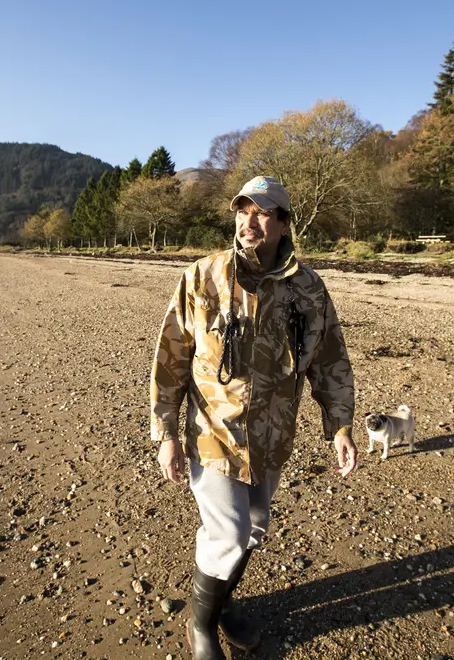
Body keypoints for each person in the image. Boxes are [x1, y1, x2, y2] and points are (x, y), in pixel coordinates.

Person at [150, 176, 357, 659]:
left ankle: (220, 605)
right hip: (212, 434)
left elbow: (329, 360)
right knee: (230, 533)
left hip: (272, 436)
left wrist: (341, 426)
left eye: (263, 213)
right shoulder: (203, 276)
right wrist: (166, 433)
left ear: (284, 224)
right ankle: (200, 626)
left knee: (255, 527)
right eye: (242, 211)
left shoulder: (308, 288)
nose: (249, 221)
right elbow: (171, 358)